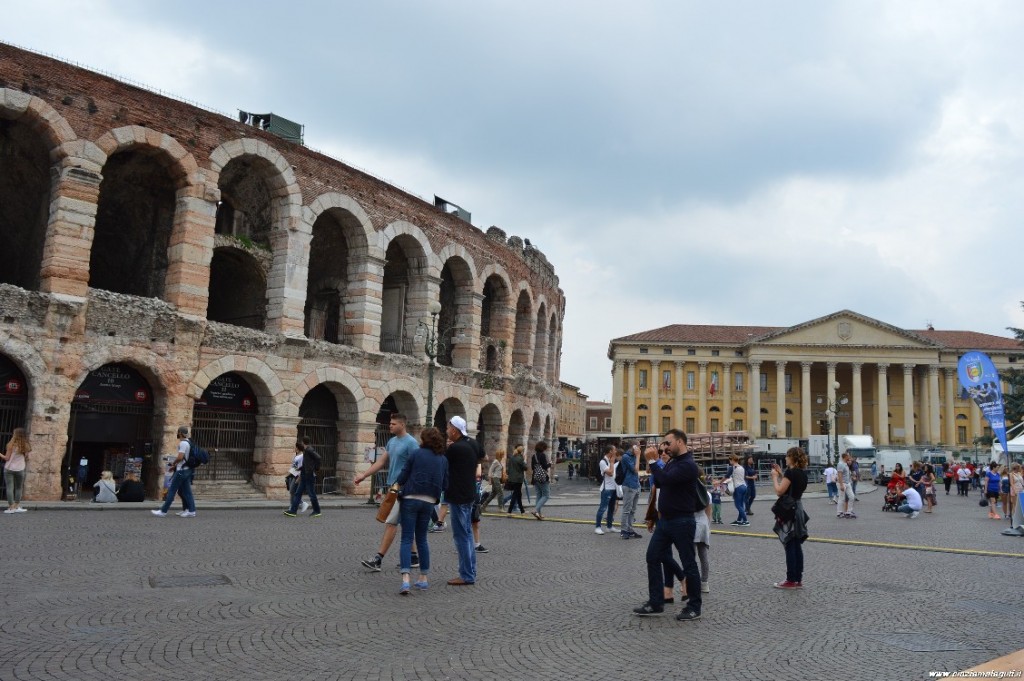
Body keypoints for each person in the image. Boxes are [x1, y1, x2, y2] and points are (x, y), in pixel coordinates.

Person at [633, 429, 703, 622]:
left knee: (689, 563)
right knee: (653, 556)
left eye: (668, 443)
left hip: (682, 521)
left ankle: (694, 607)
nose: (665, 446)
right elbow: (662, 481)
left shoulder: (688, 465)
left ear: (680, 442)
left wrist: (654, 461)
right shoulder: (674, 462)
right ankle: (656, 602)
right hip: (666, 521)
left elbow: (663, 480)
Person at [355, 414, 419, 572]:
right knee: (405, 524)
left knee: (391, 523)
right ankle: (414, 557)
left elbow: (418, 466)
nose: (389, 425)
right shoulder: (392, 442)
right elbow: (381, 462)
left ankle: (378, 559)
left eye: (393, 423)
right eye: (390, 423)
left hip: (403, 489)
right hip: (392, 488)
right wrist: (364, 475)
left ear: (402, 425)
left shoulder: (411, 443)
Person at [392, 427, 449, 595]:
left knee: (407, 539)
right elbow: (445, 484)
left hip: (410, 498)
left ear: (424, 440)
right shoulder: (443, 460)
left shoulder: (416, 454)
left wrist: (396, 486)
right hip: (429, 501)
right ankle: (423, 578)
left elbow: (402, 476)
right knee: (422, 539)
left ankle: (406, 580)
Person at [444, 415, 484, 586]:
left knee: (461, 536)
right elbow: (484, 457)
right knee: (467, 535)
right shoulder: (472, 443)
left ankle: (466, 575)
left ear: (454, 430)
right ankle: (471, 571)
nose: (446, 431)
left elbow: (443, 463)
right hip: (470, 493)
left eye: (447, 428)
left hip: (458, 495)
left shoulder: (455, 449)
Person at [770, 447, 809, 589]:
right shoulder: (802, 473)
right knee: (797, 544)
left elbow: (780, 491)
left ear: (792, 457)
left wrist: (775, 477)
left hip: (789, 511)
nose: (785, 458)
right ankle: (798, 578)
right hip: (798, 508)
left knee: (789, 543)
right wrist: (781, 475)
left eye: (787, 456)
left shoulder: (790, 472)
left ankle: (790, 579)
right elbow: (792, 486)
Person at [151, 426, 196, 518]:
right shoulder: (189, 442)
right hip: (187, 470)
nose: (177, 434)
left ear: (180, 433)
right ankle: (191, 510)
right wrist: (175, 466)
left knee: (171, 491)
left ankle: (163, 511)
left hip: (181, 471)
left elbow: (180, 457)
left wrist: (173, 464)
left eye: (178, 432)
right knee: (186, 492)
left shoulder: (183, 443)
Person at [284, 437, 322, 518]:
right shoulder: (306, 450)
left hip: (309, 476)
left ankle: (317, 511)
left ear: (303, 442)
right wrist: (300, 468)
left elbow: (318, 458)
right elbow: (306, 464)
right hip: (304, 474)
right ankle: (293, 511)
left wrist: (316, 468)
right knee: (297, 493)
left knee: (312, 494)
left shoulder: (309, 450)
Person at [2, 427, 30, 513]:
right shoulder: (26, 446)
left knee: (10, 487)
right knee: (19, 488)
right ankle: (17, 506)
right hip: (20, 469)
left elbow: (7, 458)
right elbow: (27, 458)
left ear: (15, 435)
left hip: (9, 468)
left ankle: (11, 507)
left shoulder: (11, 445)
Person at [619, 443, 642, 538]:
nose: (640, 448)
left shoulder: (633, 456)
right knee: (626, 510)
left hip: (636, 485)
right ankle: (624, 530)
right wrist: (638, 456)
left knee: (633, 510)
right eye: (638, 446)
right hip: (628, 485)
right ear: (633, 446)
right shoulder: (626, 456)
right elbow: (636, 469)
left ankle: (630, 529)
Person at [594, 445, 618, 534]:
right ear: (610, 451)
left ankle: (609, 526)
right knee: (603, 508)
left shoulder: (612, 460)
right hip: (607, 488)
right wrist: (612, 462)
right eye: (614, 450)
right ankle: (598, 527)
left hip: (613, 488)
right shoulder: (603, 462)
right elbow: (610, 473)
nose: (616, 451)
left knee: (611, 508)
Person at [721, 454, 748, 526]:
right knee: (741, 504)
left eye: (730, 460)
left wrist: (720, 482)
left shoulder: (732, 468)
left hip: (738, 487)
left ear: (732, 460)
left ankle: (745, 521)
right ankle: (739, 520)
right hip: (744, 486)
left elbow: (726, 476)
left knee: (738, 505)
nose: (729, 461)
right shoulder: (741, 467)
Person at [531, 441, 552, 520]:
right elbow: (545, 467)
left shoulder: (534, 456)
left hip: (536, 477)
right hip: (543, 478)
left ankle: (539, 514)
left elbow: (533, 468)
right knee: (546, 495)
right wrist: (550, 464)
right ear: (543, 448)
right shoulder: (543, 455)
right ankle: (535, 510)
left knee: (539, 496)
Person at [505, 445, 527, 515]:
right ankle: (509, 511)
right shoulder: (520, 459)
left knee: (518, 494)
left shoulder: (512, 458)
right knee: (515, 495)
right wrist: (524, 461)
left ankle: (522, 510)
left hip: (512, 478)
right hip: (518, 479)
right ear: (522, 452)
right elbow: (525, 468)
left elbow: (508, 469)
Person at [835, 452, 856, 519]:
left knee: (852, 497)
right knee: (842, 498)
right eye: (848, 456)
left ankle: (849, 512)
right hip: (842, 483)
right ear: (845, 456)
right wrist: (841, 485)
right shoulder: (840, 464)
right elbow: (840, 475)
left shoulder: (846, 464)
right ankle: (839, 512)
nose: (849, 457)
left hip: (847, 483)